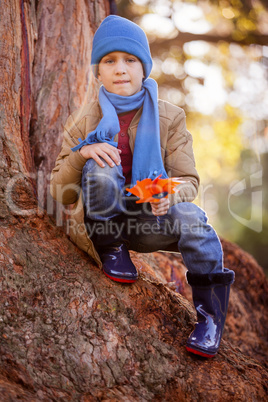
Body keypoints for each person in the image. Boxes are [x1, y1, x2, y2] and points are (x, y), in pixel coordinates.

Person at [50, 15, 234, 358]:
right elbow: (59, 190)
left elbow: (189, 180)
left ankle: (210, 320)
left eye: (130, 59)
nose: (121, 69)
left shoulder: (171, 116)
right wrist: (83, 152)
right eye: (110, 61)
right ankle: (111, 248)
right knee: (102, 167)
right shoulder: (84, 118)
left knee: (193, 217)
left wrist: (168, 193)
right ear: (98, 72)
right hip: (102, 221)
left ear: (143, 67)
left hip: (147, 218)